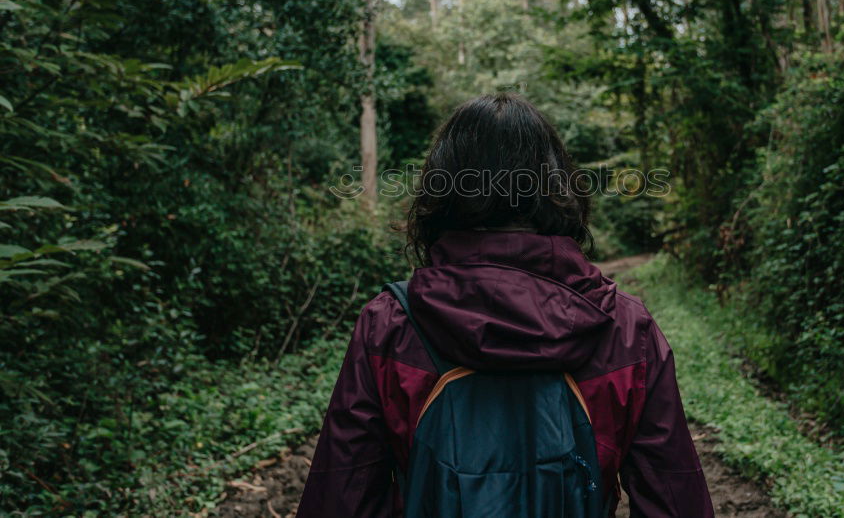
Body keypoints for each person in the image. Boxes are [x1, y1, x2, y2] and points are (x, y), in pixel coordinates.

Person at [296, 93, 713, 517]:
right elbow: (674, 502)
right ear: (559, 184)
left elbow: (342, 498)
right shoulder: (625, 328)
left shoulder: (388, 325)